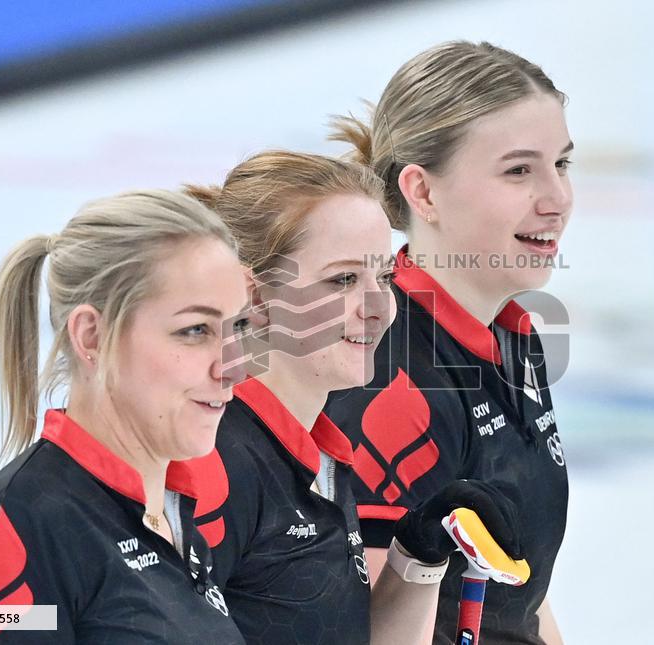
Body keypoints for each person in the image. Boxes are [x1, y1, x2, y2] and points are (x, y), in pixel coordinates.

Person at [184, 151, 524, 645]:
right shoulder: (217, 462)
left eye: (383, 278)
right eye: (343, 280)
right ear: (255, 299)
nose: (379, 308)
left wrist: (419, 552)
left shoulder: (321, 455)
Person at [325, 40, 574, 645]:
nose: (557, 199)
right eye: (519, 170)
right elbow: (371, 630)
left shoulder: (511, 331)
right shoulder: (391, 381)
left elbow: (520, 597)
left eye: (562, 164)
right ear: (424, 192)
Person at [0, 190, 249, 644]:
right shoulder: (16, 531)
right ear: (92, 336)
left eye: (237, 327)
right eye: (194, 330)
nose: (233, 366)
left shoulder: (174, 513)